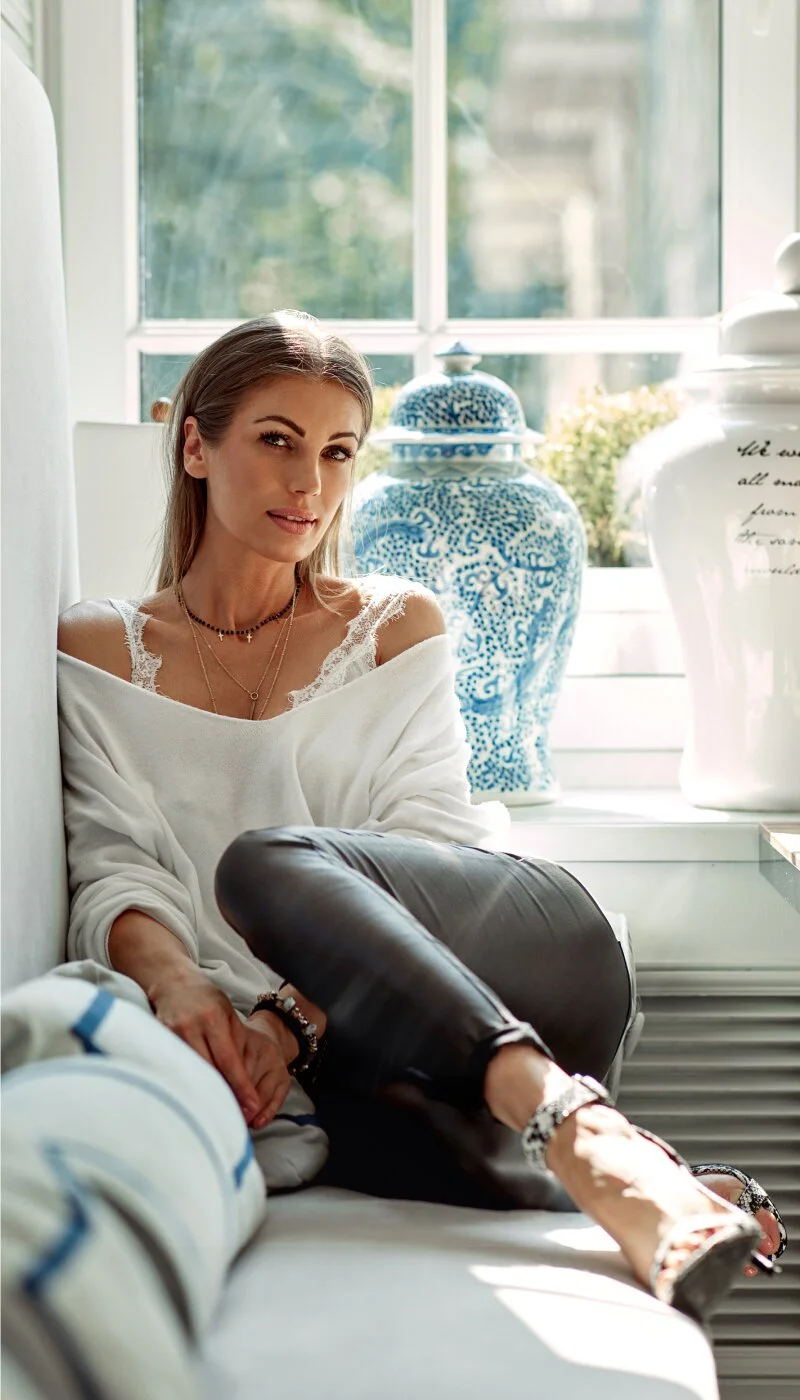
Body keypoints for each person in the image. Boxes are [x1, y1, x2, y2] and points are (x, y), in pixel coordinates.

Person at [57, 311, 785, 1324]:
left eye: (337, 450)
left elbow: (431, 850)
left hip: (522, 954)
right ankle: (654, 1184)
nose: (308, 483)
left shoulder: (395, 622)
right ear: (194, 444)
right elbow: (113, 863)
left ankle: (584, 1131)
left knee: (262, 867)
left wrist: (283, 1017)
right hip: (385, 1056)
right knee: (369, 1137)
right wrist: (181, 985)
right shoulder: (95, 650)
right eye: (275, 440)